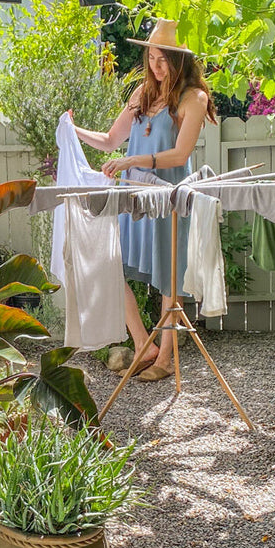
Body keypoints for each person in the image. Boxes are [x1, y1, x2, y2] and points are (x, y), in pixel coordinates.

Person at [70, 19, 217, 381]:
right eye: (152, 57)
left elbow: (181, 155)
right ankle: (142, 344)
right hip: (134, 199)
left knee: (170, 279)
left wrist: (133, 161)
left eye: (164, 59)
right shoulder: (141, 95)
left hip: (168, 198)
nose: (156, 66)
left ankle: (166, 359)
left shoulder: (193, 98)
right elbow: (109, 140)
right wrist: (71, 130)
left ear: (181, 60)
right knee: (110, 265)